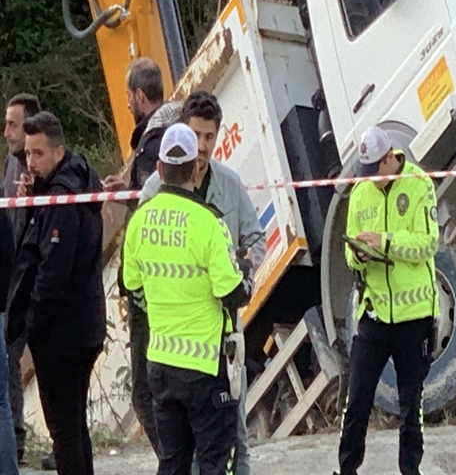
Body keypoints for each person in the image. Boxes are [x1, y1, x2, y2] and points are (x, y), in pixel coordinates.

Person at [137, 91, 265, 474]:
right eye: (197, 136)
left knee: (232, 440)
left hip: (222, 342)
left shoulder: (228, 183)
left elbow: (255, 240)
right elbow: (139, 268)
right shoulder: (153, 193)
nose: (204, 146)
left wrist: (245, 267)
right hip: (172, 344)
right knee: (181, 453)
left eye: (210, 137)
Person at [336, 127, 440, 475]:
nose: (368, 181)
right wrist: (359, 256)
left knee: (411, 404)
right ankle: (347, 469)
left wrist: (385, 241)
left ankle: (411, 470)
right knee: (357, 400)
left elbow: (428, 243)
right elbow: (348, 249)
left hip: (414, 316)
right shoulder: (361, 190)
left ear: (389, 158)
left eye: (373, 172)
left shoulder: (420, 183)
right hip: (374, 312)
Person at [7, 112, 105, 475]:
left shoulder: (63, 198)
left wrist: (32, 322)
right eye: (27, 155)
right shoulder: (70, 183)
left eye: (38, 154)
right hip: (82, 325)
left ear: (58, 152)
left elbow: (52, 271)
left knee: (64, 434)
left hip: (63, 333)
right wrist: (34, 198)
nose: (30, 162)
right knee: (74, 428)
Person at [103, 57, 180, 454]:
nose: (127, 103)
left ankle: (175, 463)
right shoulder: (174, 133)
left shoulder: (154, 141)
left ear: (137, 94)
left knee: (145, 394)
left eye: (128, 94)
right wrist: (128, 187)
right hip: (173, 287)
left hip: (149, 285)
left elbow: (153, 204)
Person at [3, 92, 40, 466]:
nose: (7, 132)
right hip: (13, 280)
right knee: (10, 359)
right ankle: (14, 442)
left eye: (12, 124)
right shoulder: (10, 165)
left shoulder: (44, 167)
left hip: (38, 280)